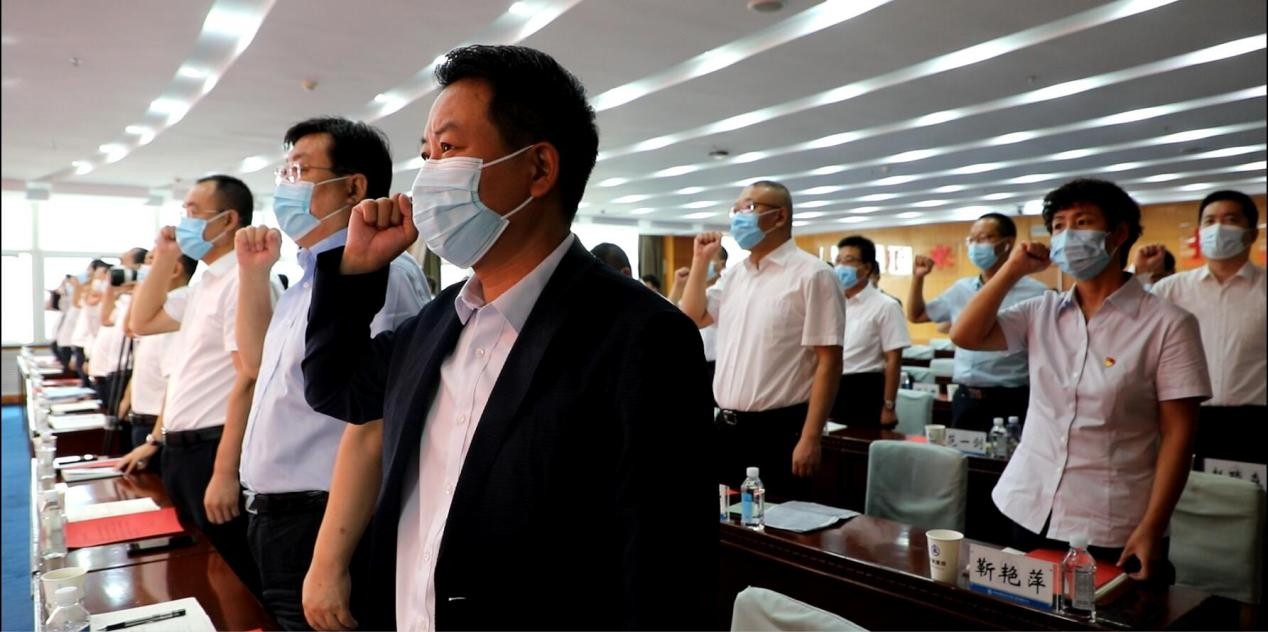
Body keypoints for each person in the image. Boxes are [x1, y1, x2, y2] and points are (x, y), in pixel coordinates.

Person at [300, 45, 714, 630]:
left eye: (448, 149)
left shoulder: (642, 336)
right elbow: (335, 388)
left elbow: (667, 567)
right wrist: (356, 273)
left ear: (538, 168)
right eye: (425, 154)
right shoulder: (437, 323)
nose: (426, 176)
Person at [951, 178, 1209, 584]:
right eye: (1058, 226)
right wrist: (1012, 269)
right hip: (1028, 503)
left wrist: (1153, 526)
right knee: (1022, 609)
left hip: (1108, 519)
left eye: (1082, 222)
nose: (1067, 234)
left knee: (1101, 612)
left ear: (1118, 234)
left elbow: (1179, 435)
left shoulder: (1168, 324)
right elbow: (965, 334)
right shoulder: (1041, 311)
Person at [234, 116, 431, 630]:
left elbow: (376, 420)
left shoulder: (382, 273)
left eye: (300, 171)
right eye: (283, 171)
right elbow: (255, 366)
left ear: (353, 187)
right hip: (275, 518)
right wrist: (253, 273)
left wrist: (328, 562)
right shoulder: (308, 276)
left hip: (325, 524)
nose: (286, 185)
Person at [118, 174, 267, 594]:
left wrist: (224, 471)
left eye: (193, 212)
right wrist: (165, 256)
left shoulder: (243, 279)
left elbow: (249, 377)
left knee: (235, 575)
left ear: (228, 220)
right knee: (200, 570)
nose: (183, 221)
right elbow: (141, 321)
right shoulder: (206, 282)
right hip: (182, 448)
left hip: (215, 447)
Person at [678, 180, 845, 497]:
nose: (740, 216)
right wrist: (700, 261)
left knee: (777, 520)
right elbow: (692, 317)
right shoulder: (735, 275)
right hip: (727, 425)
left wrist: (811, 437)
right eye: (736, 209)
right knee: (721, 519)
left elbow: (830, 361)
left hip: (780, 429)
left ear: (780, 216)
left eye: (750, 207)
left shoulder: (813, 274)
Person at [1135, 190, 1265, 466]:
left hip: (1256, 420)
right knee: (1190, 490)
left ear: (1252, 234)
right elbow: (1128, 328)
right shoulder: (1170, 289)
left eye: (1230, 220)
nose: (1218, 228)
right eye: (1209, 221)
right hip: (1183, 418)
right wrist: (1140, 275)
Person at [907, 212, 1046, 432]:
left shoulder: (1036, 293)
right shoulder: (961, 288)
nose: (975, 245)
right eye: (971, 239)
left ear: (1007, 244)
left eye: (984, 238)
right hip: (966, 397)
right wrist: (918, 278)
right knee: (962, 453)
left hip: (1011, 397)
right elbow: (916, 315)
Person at [116, 252, 198, 473]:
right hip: (144, 419)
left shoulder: (178, 307)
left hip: (157, 425)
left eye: (152, 260)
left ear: (175, 269)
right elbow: (133, 334)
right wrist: (127, 399)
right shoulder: (161, 310)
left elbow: (174, 382)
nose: (143, 268)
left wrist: (154, 439)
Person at [831, 236, 910, 429]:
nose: (841, 267)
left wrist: (889, 406)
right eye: (838, 261)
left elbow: (893, 360)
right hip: (832, 385)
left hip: (864, 388)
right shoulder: (834, 302)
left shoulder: (886, 306)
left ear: (867, 268)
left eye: (849, 260)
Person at [671, 244, 728, 392]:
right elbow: (671, 317)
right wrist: (678, 286)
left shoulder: (726, 291)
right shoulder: (691, 298)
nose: (704, 264)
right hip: (695, 362)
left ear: (721, 265)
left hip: (718, 364)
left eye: (709, 259)